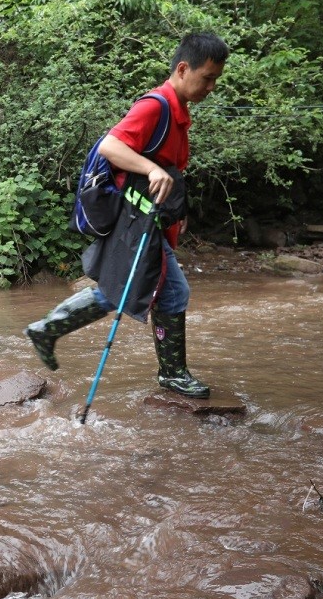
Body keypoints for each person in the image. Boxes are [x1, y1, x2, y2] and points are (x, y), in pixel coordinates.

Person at [24, 32, 230, 397]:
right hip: (136, 221)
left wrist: (177, 211)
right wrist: (151, 172)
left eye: (216, 79)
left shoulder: (178, 112)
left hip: (149, 220)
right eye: (208, 77)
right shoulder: (156, 106)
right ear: (183, 69)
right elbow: (111, 145)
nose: (212, 86)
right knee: (171, 293)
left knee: (119, 291)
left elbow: (170, 168)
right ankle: (172, 373)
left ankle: (48, 329)